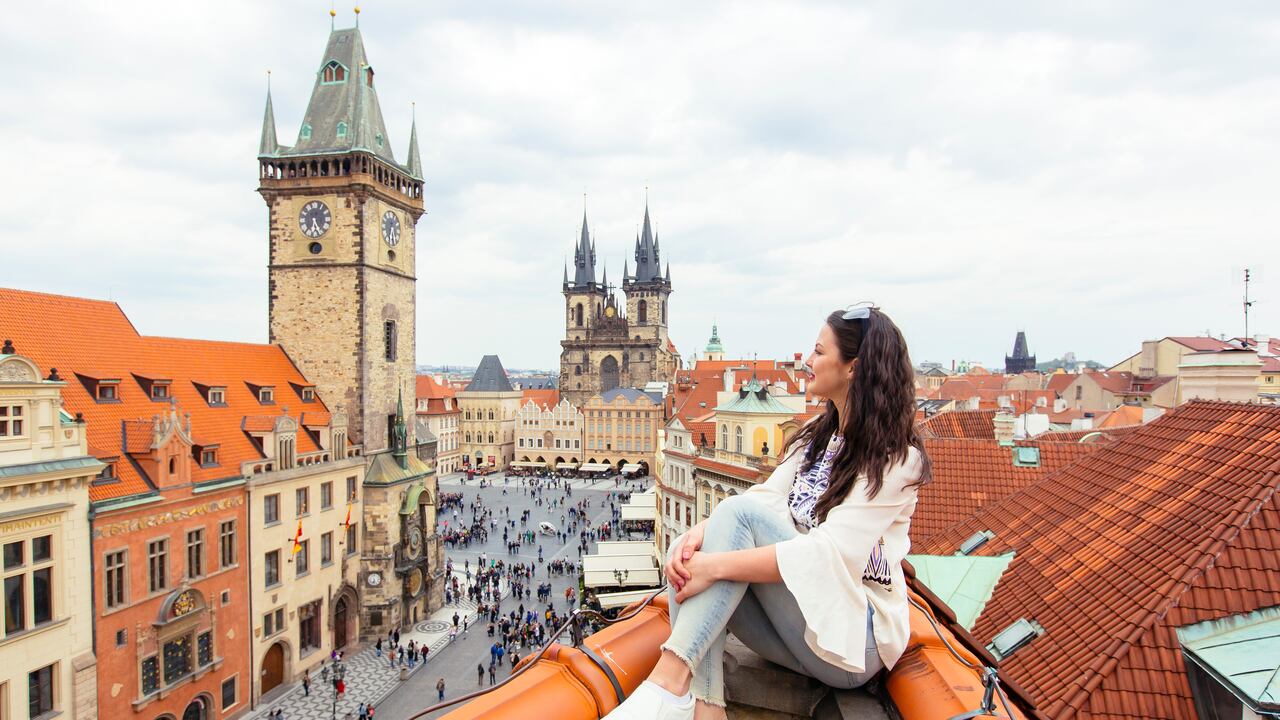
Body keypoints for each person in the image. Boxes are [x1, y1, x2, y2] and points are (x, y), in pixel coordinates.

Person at [604, 306, 930, 720]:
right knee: (691, 560)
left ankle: (667, 684)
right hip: (802, 627)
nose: (807, 361)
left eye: (817, 351)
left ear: (854, 367)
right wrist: (698, 536)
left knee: (725, 535)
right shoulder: (815, 439)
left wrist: (716, 564)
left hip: (853, 638)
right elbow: (764, 498)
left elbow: (825, 554)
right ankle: (707, 706)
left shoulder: (897, 459)